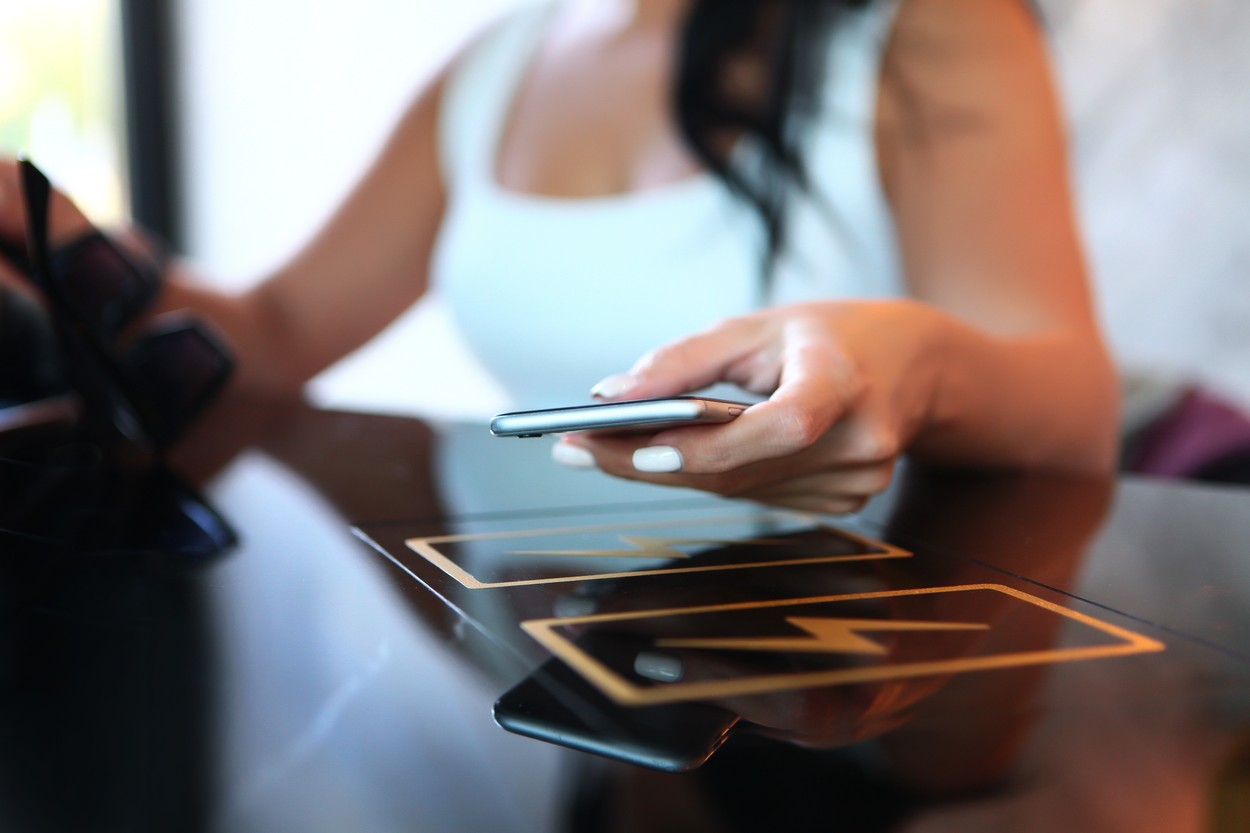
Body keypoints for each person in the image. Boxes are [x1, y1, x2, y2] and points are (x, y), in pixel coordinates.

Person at [0, 0, 1118, 514]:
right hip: (553, 648)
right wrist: (44, 226)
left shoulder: (929, 27)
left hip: (852, 653)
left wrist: (909, 363)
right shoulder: (496, 62)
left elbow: (1073, 405)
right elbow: (278, 334)